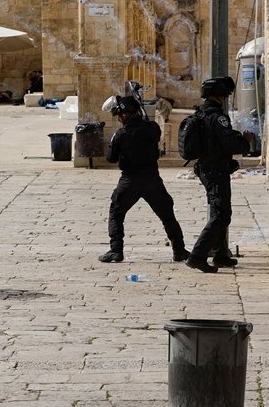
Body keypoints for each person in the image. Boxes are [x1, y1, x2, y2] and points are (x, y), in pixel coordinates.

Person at [98, 95, 189, 264]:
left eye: (120, 115)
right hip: (152, 179)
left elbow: (111, 158)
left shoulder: (121, 134)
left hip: (129, 180)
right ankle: (179, 250)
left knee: (116, 213)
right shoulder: (153, 128)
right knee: (167, 215)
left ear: (125, 115)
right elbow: (152, 134)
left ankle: (116, 251)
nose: (119, 119)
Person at [184, 76, 254, 273]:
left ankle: (220, 255)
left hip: (206, 169)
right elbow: (229, 144)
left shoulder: (201, 113)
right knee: (221, 214)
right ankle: (197, 256)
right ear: (220, 95)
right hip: (216, 171)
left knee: (220, 211)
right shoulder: (218, 117)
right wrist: (245, 140)